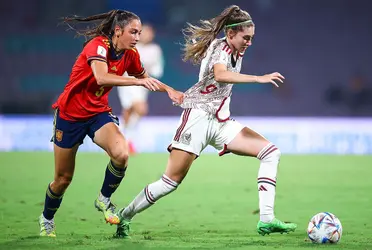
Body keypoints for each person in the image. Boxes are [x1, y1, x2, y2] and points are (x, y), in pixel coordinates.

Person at [113, 5, 297, 238]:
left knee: (271, 152)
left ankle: (267, 219)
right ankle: (125, 216)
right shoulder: (220, 47)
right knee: (170, 182)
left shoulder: (236, 49)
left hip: (221, 122)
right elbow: (220, 74)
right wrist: (258, 78)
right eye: (246, 38)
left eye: (252, 38)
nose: (249, 43)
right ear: (231, 34)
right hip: (197, 118)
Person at [38, 9, 184, 237]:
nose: (137, 37)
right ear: (118, 31)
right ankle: (47, 218)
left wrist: (170, 90)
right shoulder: (97, 46)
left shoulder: (131, 54)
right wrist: (136, 82)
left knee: (121, 154)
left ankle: (104, 199)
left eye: (139, 33)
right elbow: (102, 77)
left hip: (97, 113)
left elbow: (145, 79)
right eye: (133, 32)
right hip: (69, 116)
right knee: (63, 179)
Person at [117, 24, 164, 154]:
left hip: (143, 84)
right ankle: (125, 141)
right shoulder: (130, 47)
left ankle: (121, 140)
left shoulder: (155, 49)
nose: (146, 35)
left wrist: (152, 73)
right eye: (144, 33)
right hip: (128, 82)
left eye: (149, 33)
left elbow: (158, 68)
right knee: (139, 109)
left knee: (130, 111)